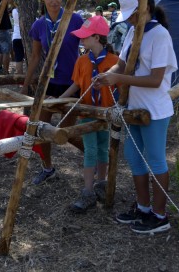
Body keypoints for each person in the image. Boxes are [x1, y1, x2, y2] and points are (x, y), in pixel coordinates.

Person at [94, 0, 178, 234]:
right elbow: (121, 63)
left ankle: (160, 215)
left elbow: (155, 79)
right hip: (134, 107)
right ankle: (143, 207)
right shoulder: (133, 31)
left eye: (134, 14)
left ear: (147, 8)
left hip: (154, 110)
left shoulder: (160, 35)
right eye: (128, 15)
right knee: (134, 156)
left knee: (155, 160)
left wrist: (120, 79)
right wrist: (106, 75)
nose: (130, 19)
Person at [21, 0, 85, 184]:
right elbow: (36, 56)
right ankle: (47, 168)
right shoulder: (39, 25)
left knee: (67, 133)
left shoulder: (74, 20)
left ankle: (98, 158)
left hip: (72, 83)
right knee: (42, 129)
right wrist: (25, 84)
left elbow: (89, 47)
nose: (54, 1)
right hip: (49, 82)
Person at [59, 16, 119, 212]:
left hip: (106, 114)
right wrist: (60, 99)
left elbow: (122, 87)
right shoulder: (82, 61)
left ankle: (101, 183)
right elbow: (76, 84)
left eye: (85, 37)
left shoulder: (115, 62)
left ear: (96, 37)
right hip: (87, 112)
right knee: (90, 150)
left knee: (103, 149)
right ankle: (87, 191)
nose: (81, 40)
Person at [11, 2, 25, 74]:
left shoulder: (14, 11)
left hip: (16, 36)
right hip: (24, 37)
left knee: (18, 58)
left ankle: (20, 78)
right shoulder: (25, 10)